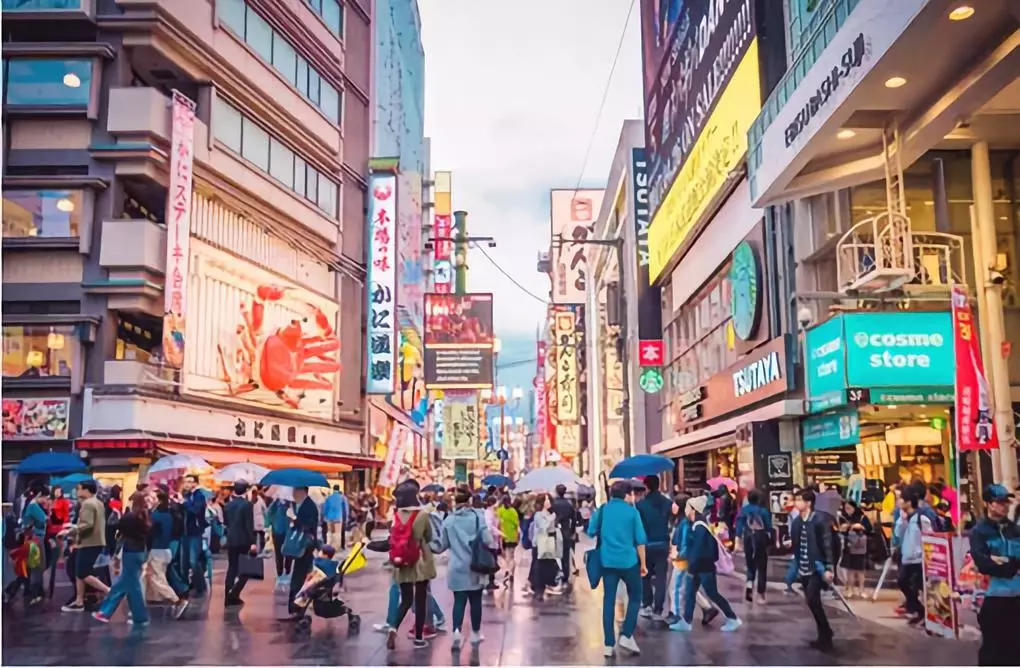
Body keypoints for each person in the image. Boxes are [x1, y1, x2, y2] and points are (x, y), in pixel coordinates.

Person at [587, 480, 647, 657]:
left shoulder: (603, 510)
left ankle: (608, 644)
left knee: (608, 601)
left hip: (608, 562)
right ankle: (627, 634)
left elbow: (590, 531)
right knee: (636, 596)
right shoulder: (632, 512)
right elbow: (640, 541)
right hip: (629, 561)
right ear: (628, 494)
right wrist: (643, 564)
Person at [669, 495, 742, 634]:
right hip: (699, 566)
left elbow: (698, 549)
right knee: (690, 593)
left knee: (712, 593)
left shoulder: (699, 526)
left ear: (693, 509)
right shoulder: (695, 524)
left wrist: (692, 566)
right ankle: (686, 622)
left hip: (703, 567)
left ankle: (732, 617)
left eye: (687, 506)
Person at [438, 486, 494, 650]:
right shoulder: (479, 517)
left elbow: (442, 545)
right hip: (475, 566)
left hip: (456, 567)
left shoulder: (449, 521)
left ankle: (456, 632)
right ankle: (475, 634)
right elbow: (488, 540)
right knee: (475, 601)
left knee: (459, 601)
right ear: (469, 501)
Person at [971, 484, 1019, 666]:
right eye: (999, 502)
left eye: (1006, 502)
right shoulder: (980, 532)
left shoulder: (1014, 529)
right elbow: (983, 563)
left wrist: (1005, 561)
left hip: (1017, 597)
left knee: (1015, 650)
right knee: (993, 650)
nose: (1004, 506)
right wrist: (1007, 566)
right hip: (993, 598)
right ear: (989, 504)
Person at [386, 483, 437, 650]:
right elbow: (428, 536)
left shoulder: (396, 515)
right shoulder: (422, 515)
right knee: (421, 599)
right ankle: (419, 637)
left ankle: (393, 628)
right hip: (420, 560)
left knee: (406, 599)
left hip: (402, 560)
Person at [92, 493, 151, 625]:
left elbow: (114, 527)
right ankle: (139, 617)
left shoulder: (129, 517)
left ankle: (106, 612)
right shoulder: (144, 516)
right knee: (132, 585)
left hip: (130, 551)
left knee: (124, 584)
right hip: (140, 550)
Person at [791, 489, 835, 652]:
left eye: (799, 500)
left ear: (808, 503)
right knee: (811, 601)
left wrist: (829, 567)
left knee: (813, 599)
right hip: (803, 566)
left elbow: (826, 543)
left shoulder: (818, 520)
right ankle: (825, 632)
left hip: (817, 566)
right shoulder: (797, 522)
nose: (797, 503)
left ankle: (826, 634)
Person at [61, 480, 110, 612]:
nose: (78, 491)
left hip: (89, 542)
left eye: (80, 489)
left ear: (87, 490)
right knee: (79, 572)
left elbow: (87, 524)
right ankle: (79, 600)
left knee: (83, 572)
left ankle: (109, 591)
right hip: (94, 541)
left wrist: (70, 530)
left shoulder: (87, 504)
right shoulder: (98, 502)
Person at [669, 494, 718, 626]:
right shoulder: (682, 521)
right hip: (686, 559)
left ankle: (676, 615)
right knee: (686, 587)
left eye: (675, 503)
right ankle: (707, 608)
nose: (672, 505)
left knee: (676, 588)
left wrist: (678, 555)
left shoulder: (684, 523)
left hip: (683, 560)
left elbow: (684, 543)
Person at [147, 491, 189, 618]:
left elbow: (150, 533)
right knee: (159, 576)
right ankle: (159, 597)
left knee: (156, 578)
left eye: (152, 498)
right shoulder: (169, 515)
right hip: (165, 549)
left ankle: (176, 600)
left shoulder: (155, 516)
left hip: (156, 550)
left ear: (158, 500)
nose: (150, 500)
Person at [636, 475, 671, 619]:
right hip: (663, 543)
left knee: (645, 575)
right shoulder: (667, 502)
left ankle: (647, 605)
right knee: (661, 577)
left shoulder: (640, 505)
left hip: (646, 544)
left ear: (647, 487)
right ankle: (658, 609)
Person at [895, 490, 930, 626]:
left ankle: (924, 615)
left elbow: (929, 536)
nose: (899, 502)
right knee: (902, 582)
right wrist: (901, 520)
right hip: (906, 557)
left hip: (919, 558)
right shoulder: (904, 518)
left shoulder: (921, 518)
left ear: (909, 502)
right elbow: (898, 534)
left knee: (918, 588)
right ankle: (920, 610)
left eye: (902, 500)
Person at [735, 488, 773, 604]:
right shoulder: (764, 511)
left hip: (747, 537)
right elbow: (769, 527)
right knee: (762, 566)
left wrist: (737, 541)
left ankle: (749, 585)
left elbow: (739, 527)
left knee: (750, 563)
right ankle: (761, 595)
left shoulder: (743, 510)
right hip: (760, 538)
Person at [223, 481, 258, 607]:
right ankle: (235, 593)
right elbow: (249, 525)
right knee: (245, 569)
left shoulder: (228, 505)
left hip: (231, 539)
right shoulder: (247, 505)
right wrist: (253, 542)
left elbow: (226, 523)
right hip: (243, 540)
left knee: (232, 568)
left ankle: (228, 595)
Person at [288, 486, 320, 616]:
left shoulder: (309, 506)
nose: (293, 494)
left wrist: (294, 520)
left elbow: (306, 525)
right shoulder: (303, 505)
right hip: (305, 545)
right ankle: (297, 603)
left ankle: (296, 604)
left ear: (302, 491)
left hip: (305, 545)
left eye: (295, 491)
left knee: (300, 575)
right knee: (301, 574)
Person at [179, 474, 208, 597]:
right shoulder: (186, 495)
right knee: (184, 562)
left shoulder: (199, 496)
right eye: (186, 481)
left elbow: (196, 510)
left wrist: (184, 503)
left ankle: (200, 585)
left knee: (193, 560)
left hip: (195, 533)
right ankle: (186, 586)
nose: (188, 484)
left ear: (196, 483)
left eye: (191, 481)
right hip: (185, 532)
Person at [838, 499, 873, 598]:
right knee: (850, 570)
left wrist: (861, 527)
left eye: (849, 508)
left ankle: (861, 589)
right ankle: (850, 589)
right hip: (849, 546)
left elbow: (870, 530)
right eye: (846, 509)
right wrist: (844, 528)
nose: (847, 510)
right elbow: (841, 531)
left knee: (860, 570)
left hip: (860, 547)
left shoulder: (862, 517)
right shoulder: (844, 518)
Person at [20, 488, 49, 605]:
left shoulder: (31, 505)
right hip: (36, 538)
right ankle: (36, 591)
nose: (46, 500)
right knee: (38, 564)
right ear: (39, 494)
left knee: (33, 564)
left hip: (32, 537)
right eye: (45, 497)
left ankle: (32, 590)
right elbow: (45, 519)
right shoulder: (33, 506)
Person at [528, 493, 561, 600]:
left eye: (549, 500)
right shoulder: (539, 515)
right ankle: (538, 588)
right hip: (540, 543)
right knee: (539, 566)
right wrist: (551, 519)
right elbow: (543, 528)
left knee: (547, 564)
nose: (549, 502)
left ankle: (546, 584)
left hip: (548, 542)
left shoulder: (548, 513)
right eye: (546, 500)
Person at [550, 484, 576, 589]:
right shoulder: (569, 504)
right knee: (565, 555)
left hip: (554, 530)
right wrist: (572, 531)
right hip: (566, 531)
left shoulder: (553, 504)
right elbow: (573, 519)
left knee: (554, 553)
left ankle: (555, 573)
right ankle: (565, 575)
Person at [496, 495, 519, 587]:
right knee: (512, 556)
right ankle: (511, 573)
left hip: (503, 537)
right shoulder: (513, 511)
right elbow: (517, 525)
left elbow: (497, 524)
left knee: (506, 556)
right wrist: (518, 536)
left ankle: (507, 572)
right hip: (512, 536)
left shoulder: (499, 511)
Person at [268, 495, 293, 577]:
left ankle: (286, 570)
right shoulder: (275, 503)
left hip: (287, 531)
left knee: (288, 552)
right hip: (279, 531)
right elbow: (269, 514)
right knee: (279, 553)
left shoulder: (291, 503)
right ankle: (280, 572)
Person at [323, 485, 349, 551]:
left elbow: (325, 508)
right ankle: (336, 548)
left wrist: (325, 516)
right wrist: (346, 518)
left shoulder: (329, 498)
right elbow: (346, 509)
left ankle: (331, 547)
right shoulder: (342, 498)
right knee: (337, 534)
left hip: (329, 518)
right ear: (339, 489)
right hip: (338, 518)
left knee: (331, 533)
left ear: (333, 489)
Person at [251, 488, 267, 553]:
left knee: (255, 536)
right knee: (261, 535)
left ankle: (255, 550)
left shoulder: (251, 500)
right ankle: (261, 549)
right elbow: (265, 509)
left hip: (255, 520)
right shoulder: (260, 500)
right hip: (259, 519)